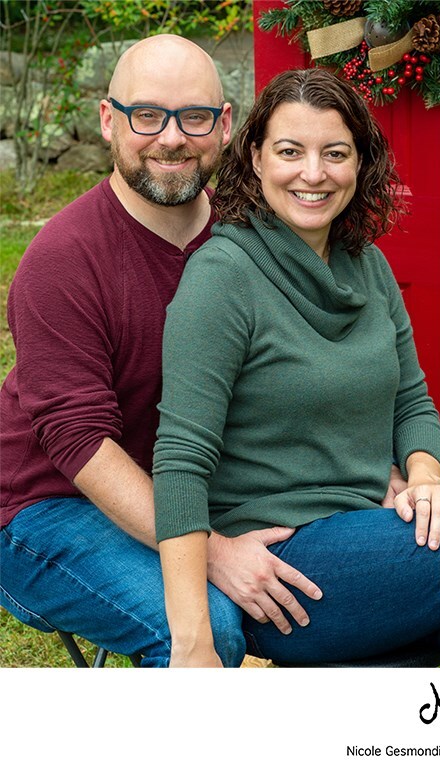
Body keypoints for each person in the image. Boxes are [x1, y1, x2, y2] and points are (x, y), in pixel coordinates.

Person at [153, 68, 440, 668]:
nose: (313, 174)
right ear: (256, 158)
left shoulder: (370, 267)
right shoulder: (223, 277)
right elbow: (181, 456)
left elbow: (413, 403)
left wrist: (424, 474)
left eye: (334, 153)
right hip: (283, 563)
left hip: (372, 525)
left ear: (360, 163)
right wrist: (193, 641)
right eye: (290, 152)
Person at [0, 35, 251, 666]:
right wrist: (211, 551)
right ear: (109, 120)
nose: (171, 138)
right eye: (147, 115)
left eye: (193, 117)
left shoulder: (247, 239)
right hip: (45, 504)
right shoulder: (64, 258)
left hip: (184, 484)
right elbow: (79, 443)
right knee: (206, 625)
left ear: (224, 127)